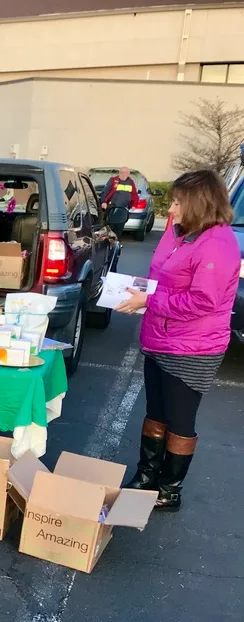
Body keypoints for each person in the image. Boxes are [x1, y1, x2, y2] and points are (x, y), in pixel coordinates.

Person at [117, 169, 239, 510]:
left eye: (177, 201)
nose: (171, 208)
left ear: (198, 203)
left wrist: (149, 301)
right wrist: (141, 289)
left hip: (193, 347)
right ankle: (146, 476)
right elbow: (165, 276)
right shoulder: (179, 233)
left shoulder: (217, 244)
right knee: (156, 410)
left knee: (180, 418)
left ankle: (169, 489)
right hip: (160, 337)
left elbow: (203, 301)